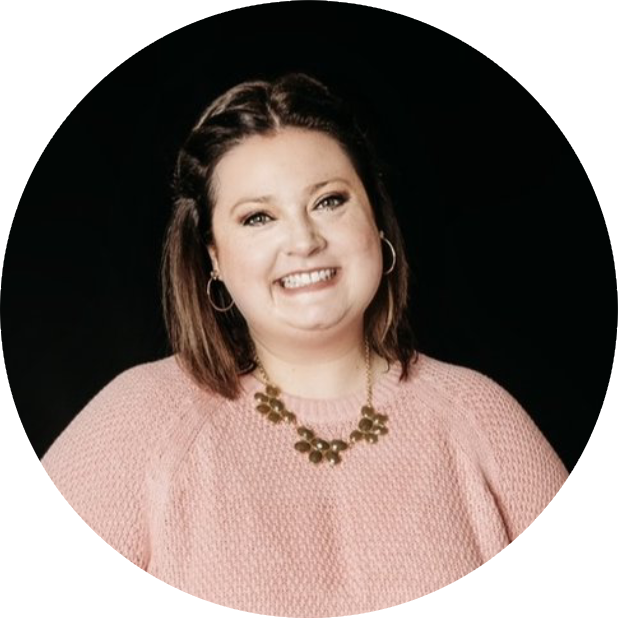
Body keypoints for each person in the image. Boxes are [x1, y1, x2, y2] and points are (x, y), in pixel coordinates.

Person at [40, 72, 569, 615]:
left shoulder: (481, 416)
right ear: (213, 258)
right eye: (259, 217)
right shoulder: (143, 420)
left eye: (329, 201)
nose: (304, 241)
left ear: (376, 219)